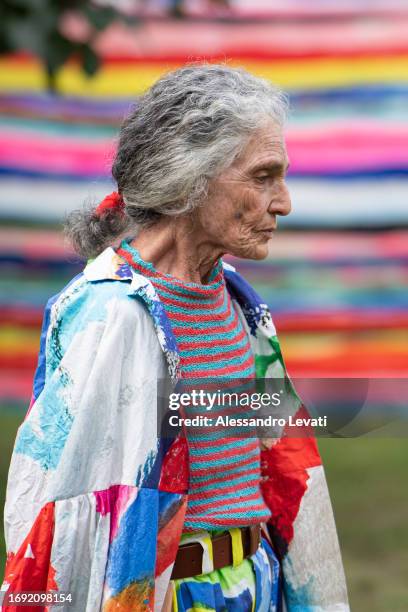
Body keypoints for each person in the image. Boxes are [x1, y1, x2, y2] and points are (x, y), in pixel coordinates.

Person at [1, 64, 349, 611]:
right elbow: (61, 511)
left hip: (256, 588)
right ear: (190, 176)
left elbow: (281, 472)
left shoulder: (239, 303)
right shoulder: (109, 313)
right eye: (263, 177)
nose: (283, 203)